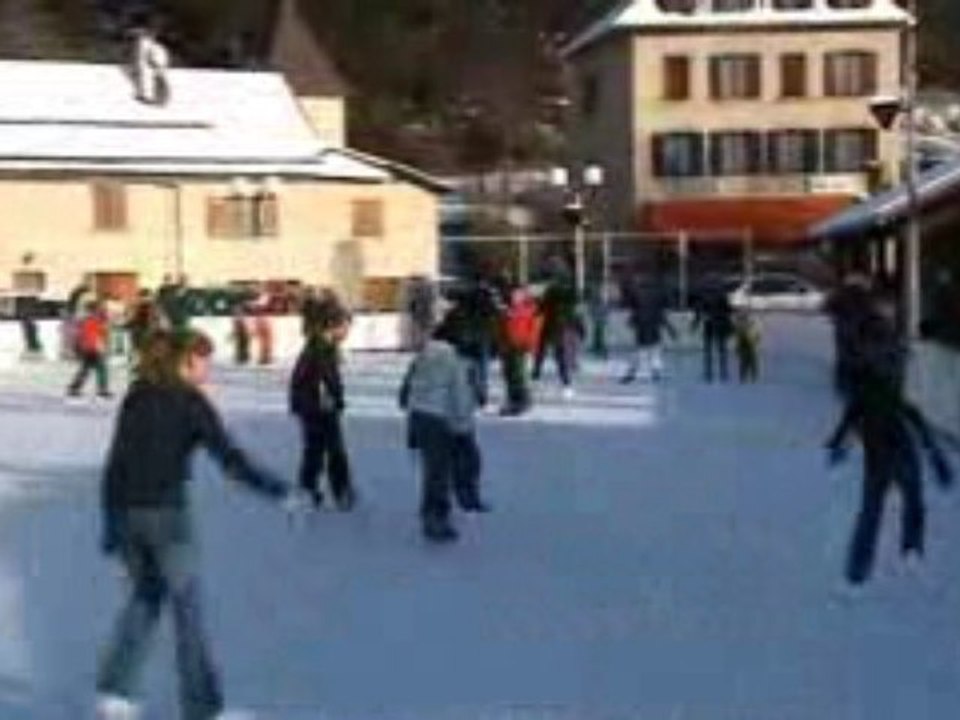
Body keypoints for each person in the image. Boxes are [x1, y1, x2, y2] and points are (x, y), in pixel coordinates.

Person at [95, 329, 297, 720]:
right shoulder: (190, 402)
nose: (209, 369)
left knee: (145, 598)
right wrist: (278, 490)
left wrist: (110, 522)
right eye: (205, 361)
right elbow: (229, 459)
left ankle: (116, 693)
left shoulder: (137, 395)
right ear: (186, 361)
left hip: (126, 514)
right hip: (166, 518)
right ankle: (203, 708)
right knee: (187, 612)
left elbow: (115, 463)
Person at [826, 314, 954, 586]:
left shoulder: (866, 379)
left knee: (874, 509)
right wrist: (936, 457)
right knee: (909, 501)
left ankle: (860, 567)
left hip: (880, 453)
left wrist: (839, 444)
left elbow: (853, 415)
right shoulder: (883, 379)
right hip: (896, 449)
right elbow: (911, 416)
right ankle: (908, 549)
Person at [399, 314, 489, 542]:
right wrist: (463, 426)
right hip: (439, 418)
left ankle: (442, 508)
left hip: (419, 415)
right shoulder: (456, 360)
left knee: (436, 468)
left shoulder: (424, 355)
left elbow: (407, 388)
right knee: (443, 468)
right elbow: (460, 396)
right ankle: (437, 516)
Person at [289, 314, 356, 511]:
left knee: (315, 450)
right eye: (345, 328)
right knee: (334, 451)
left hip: (309, 405)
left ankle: (308, 490)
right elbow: (325, 378)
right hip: (318, 407)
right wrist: (335, 399)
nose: (347, 333)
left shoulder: (319, 345)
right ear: (335, 326)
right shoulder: (321, 348)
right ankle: (341, 492)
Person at [532, 260, 580, 397]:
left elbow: (541, 308)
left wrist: (536, 308)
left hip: (551, 324)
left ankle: (536, 378)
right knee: (559, 356)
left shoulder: (551, 290)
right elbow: (575, 307)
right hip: (562, 325)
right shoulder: (570, 289)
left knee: (542, 353)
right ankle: (566, 385)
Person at [621, 279, 675, 384]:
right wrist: (671, 330)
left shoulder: (639, 298)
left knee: (640, 352)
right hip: (653, 329)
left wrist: (631, 322)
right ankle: (655, 372)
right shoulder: (656, 299)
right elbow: (661, 316)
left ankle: (632, 372)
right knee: (655, 351)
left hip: (642, 330)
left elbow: (635, 313)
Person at [500, 286, 539, 416]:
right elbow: (503, 329)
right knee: (508, 374)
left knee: (520, 375)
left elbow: (535, 330)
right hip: (508, 347)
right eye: (513, 295)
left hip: (522, 347)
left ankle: (523, 401)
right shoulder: (508, 310)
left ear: (524, 296)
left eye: (517, 295)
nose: (514, 297)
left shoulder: (531, 310)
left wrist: (530, 346)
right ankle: (512, 401)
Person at [67, 301, 111, 398]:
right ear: (94, 310)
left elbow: (80, 335)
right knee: (101, 369)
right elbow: (98, 332)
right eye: (97, 309)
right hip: (93, 348)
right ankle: (102, 390)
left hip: (89, 348)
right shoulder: (92, 320)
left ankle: (74, 387)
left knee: (86, 369)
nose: (98, 311)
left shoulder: (86, 320)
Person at [693, 282, 734, 383]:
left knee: (708, 350)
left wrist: (695, 323)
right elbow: (728, 310)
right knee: (722, 350)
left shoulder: (703, 297)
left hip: (709, 325)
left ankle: (708, 373)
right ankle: (723, 372)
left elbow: (698, 311)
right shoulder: (722, 296)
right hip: (721, 324)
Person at [733, 308, 761, 383]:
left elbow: (757, 335)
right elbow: (737, 337)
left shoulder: (750, 325)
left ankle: (750, 377)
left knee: (749, 361)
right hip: (746, 344)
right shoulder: (740, 326)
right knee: (747, 361)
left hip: (749, 344)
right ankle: (747, 377)